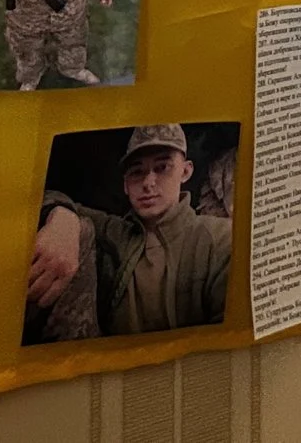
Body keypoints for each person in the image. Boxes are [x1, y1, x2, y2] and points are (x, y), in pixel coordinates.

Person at [27, 125, 232, 335]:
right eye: (137, 172)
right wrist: (63, 218)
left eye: (162, 168)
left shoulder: (220, 238)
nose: (148, 183)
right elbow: (49, 199)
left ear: (186, 171)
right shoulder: (114, 232)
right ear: (125, 185)